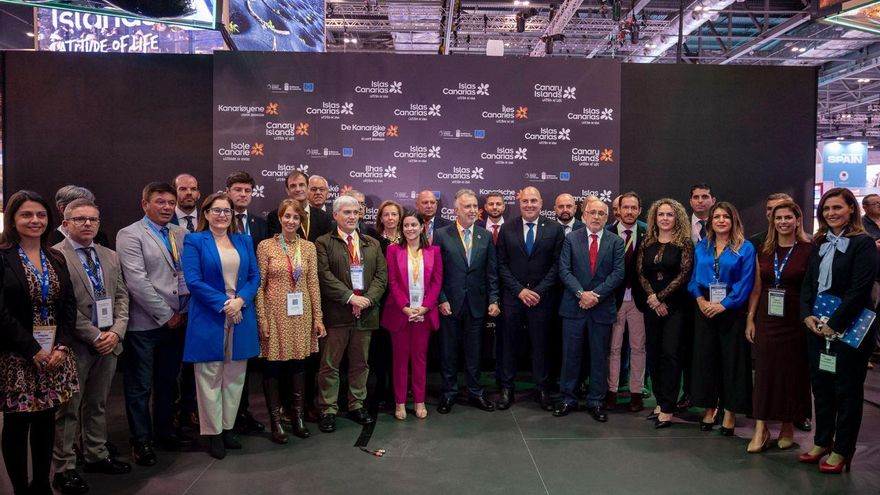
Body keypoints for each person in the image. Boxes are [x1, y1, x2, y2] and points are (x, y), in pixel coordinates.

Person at [0, 190, 78, 495]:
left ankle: (42, 484)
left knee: (47, 421)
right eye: (27, 215)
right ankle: (21, 488)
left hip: (53, 355)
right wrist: (32, 349)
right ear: (12, 219)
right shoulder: (3, 257)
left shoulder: (55, 256)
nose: (35, 220)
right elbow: (1, 312)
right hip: (17, 356)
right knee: (18, 425)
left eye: (41, 215)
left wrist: (62, 346)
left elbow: (69, 304)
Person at [51, 199, 131, 494]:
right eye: (80, 219)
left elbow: (122, 296)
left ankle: (96, 454)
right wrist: (95, 335)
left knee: (98, 403)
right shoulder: (55, 256)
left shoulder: (109, 255)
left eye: (93, 219)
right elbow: (63, 306)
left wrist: (117, 332)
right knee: (69, 408)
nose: (87, 224)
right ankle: (64, 467)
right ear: (66, 223)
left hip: (110, 342)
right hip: (77, 344)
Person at [800, 187, 878, 474]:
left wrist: (834, 323)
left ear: (851, 209)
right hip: (818, 328)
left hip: (850, 329)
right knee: (821, 388)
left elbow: (860, 290)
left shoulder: (863, 244)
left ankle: (843, 450)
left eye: (837, 207)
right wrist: (806, 315)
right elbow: (808, 283)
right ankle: (822, 441)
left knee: (847, 391)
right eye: (826, 209)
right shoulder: (820, 242)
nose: (831, 213)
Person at [116, 182, 192, 466]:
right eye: (160, 202)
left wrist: (183, 311)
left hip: (178, 321)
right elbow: (137, 281)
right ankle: (141, 441)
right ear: (145, 204)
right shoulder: (130, 234)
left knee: (168, 382)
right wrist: (166, 314)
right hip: (145, 325)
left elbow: (187, 274)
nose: (167, 207)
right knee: (140, 387)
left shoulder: (180, 233)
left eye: (171, 203)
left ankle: (164, 432)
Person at [181, 193, 260, 460]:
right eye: (217, 210)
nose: (222, 215)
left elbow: (254, 277)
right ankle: (213, 433)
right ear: (206, 213)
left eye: (227, 211)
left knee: (235, 376)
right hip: (210, 316)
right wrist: (225, 304)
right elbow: (193, 281)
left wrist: (240, 301)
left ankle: (228, 428)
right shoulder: (194, 241)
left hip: (241, 314)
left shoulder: (243, 240)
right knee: (209, 376)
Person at [315, 195, 387, 433]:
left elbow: (381, 277)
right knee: (329, 365)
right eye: (347, 212)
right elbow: (324, 276)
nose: (352, 216)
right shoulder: (323, 242)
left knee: (360, 364)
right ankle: (328, 409)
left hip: (365, 314)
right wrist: (350, 297)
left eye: (356, 212)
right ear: (335, 215)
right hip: (336, 314)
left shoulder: (371, 243)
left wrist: (367, 300)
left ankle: (356, 405)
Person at [744, 200, 812, 453]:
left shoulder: (809, 249)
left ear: (797, 221)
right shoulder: (764, 249)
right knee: (764, 372)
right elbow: (756, 288)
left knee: (791, 373)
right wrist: (750, 318)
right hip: (767, 318)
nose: (783, 222)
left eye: (787, 217)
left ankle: (787, 426)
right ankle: (760, 428)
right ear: (772, 221)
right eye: (778, 218)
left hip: (795, 319)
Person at [256, 199, 325, 443]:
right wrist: (262, 318)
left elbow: (313, 284)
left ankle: (298, 418)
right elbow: (259, 286)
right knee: (272, 367)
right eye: (287, 216)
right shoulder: (266, 246)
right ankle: (276, 422)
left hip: (301, 315)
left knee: (299, 365)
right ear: (280, 218)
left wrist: (318, 317)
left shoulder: (308, 248)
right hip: (274, 314)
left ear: (300, 221)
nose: (291, 221)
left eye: (296, 217)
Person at [554, 197, 625, 422]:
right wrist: (581, 294)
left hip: (601, 308)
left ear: (607, 217)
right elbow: (564, 270)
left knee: (598, 357)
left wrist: (595, 296)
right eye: (592, 212)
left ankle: (596, 401)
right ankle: (568, 398)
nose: (596, 217)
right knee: (570, 355)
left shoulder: (616, 242)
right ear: (583, 215)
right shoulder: (570, 239)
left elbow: (618, 274)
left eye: (601, 213)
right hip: (574, 307)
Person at [688, 201, 755, 436]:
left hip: (731, 310)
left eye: (726, 216)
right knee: (706, 360)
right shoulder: (702, 246)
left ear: (733, 220)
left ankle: (729, 411)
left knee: (731, 361)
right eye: (716, 217)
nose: (721, 220)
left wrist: (724, 305)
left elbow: (745, 283)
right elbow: (693, 279)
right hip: (704, 307)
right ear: (711, 221)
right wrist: (700, 301)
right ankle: (710, 407)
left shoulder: (745, 247)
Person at [495, 187, 563, 411]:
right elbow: (501, 264)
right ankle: (506, 388)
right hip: (513, 299)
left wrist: (538, 291)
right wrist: (520, 291)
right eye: (525, 201)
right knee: (509, 345)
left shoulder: (554, 229)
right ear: (519, 202)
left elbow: (557, 265)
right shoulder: (507, 228)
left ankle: (542, 389)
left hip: (542, 299)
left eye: (534, 200)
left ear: (541, 202)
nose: (529, 205)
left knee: (541, 346)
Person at [434, 189, 500, 414]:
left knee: (474, 352)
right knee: (448, 352)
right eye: (467, 206)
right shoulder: (441, 234)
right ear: (456, 211)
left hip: (476, 303)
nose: (472, 210)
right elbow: (436, 272)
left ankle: (475, 392)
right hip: (450, 304)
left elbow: (491, 272)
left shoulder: (485, 236)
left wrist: (494, 299)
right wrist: (441, 299)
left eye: (474, 206)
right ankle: (449, 393)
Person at [381, 211, 443, 420]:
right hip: (401, 314)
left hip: (423, 315)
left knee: (419, 360)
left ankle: (419, 401)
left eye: (414, 225)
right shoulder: (392, 251)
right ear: (402, 228)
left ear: (422, 227)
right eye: (406, 225)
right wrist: (405, 307)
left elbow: (436, 283)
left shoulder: (434, 251)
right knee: (399, 361)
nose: (410, 229)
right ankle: (399, 402)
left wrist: (425, 307)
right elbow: (392, 282)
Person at [637, 199, 694, 428]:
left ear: (677, 217)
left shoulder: (684, 243)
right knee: (653, 354)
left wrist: (661, 297)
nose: (665, 218)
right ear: (655, 217)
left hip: (676, 307)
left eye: (670, 214)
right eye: (661, 214)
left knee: (671, 355)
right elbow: (641, 273)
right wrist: (653, 297)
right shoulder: (647, 241)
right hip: (652, 307)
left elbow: (684, 274)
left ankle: (669, 407)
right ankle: (660, 402)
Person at [224, 171, 268, 434]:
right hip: (226, 302)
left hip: (252, 298)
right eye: (238, 190)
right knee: (223, 365)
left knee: (244, 363)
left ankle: (242, 413)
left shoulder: (260, 223)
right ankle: (224, 419)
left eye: (247, 190)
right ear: (227, 192)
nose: (242, 194)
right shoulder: (220, 221)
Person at [606, 192, 648, 412]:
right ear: (618, 210)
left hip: (639, 300)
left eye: (634, 208)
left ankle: (636, 393)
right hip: (613, 299)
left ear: (639, 210)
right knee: (613, 348)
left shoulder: (649, 232)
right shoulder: (608, 232)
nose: (629, 212)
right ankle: (611, 392)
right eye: (626, 208)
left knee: (638, 348)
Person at [678, 183, 717, 412]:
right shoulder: (681, 226)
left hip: (714, 298)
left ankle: (715, 396)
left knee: (711, 349)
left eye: (705, 196)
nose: (700, 200)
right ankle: (690, 393)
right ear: (690, 201)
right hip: (683, 297)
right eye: (696, 197)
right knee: (686, 347)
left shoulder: (722, 224)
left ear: (713, 200)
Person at [168, 173, 201, 433]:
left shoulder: (209, 220)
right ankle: (170, 416)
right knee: (170, 367)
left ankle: (191, 409)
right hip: (170, 308)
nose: (188, 193)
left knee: (195, 365)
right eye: (183, 189)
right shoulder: (163, 222)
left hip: (201, 305)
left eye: (193, 189)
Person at [370, 200, 403, 412]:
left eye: (394, 214)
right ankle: (380, 390)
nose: (390, 218)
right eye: (386, 215)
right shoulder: (373, 241)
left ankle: (398, 391)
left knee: (399, 349)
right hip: (381, 302)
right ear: (380, 218)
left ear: (400, 217)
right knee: (381, 349)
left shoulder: (408, 239)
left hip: (403, 302)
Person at [268, 171, 332, 242]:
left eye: (301, 185)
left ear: (308, 187)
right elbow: (275, 244)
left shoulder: (323, 216)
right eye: (293, 186)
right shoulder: (276, 216)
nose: (298, 189)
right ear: (287, 190)